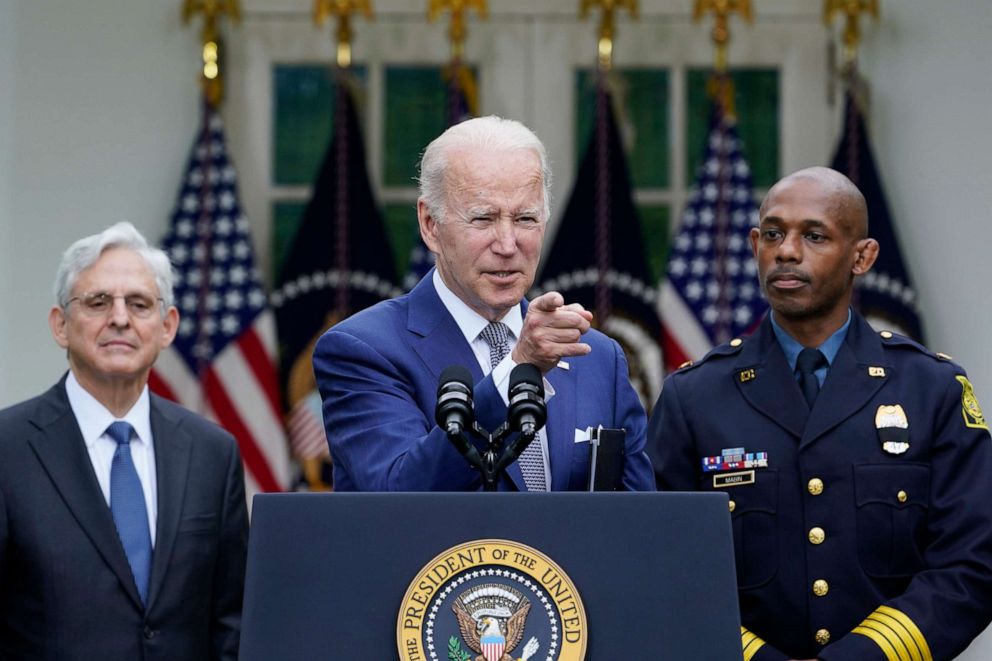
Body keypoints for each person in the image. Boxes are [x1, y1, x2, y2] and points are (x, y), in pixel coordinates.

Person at [648, 167, 992, 661]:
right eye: (773, 233)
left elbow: (971, 564)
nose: (786, 250)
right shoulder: (695, 397)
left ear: (863, 256)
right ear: (753, 245)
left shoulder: (931, 390)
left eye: (814, 235)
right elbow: (663, 565)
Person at [313, 115, 654, 491]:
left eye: (525, 218)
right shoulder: (363, 350)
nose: (508, 245)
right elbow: (398, 496)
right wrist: (519, 367)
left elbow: (639, 526)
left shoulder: (599, 359)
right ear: (430, 224)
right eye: (483, 218)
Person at [0, 222, 248, 660]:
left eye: (139, 304)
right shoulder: (9, 447)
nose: (119, 318)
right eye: (98, 302)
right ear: (60, 325)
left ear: (168, 326)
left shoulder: (213, 452)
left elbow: (232, 621)